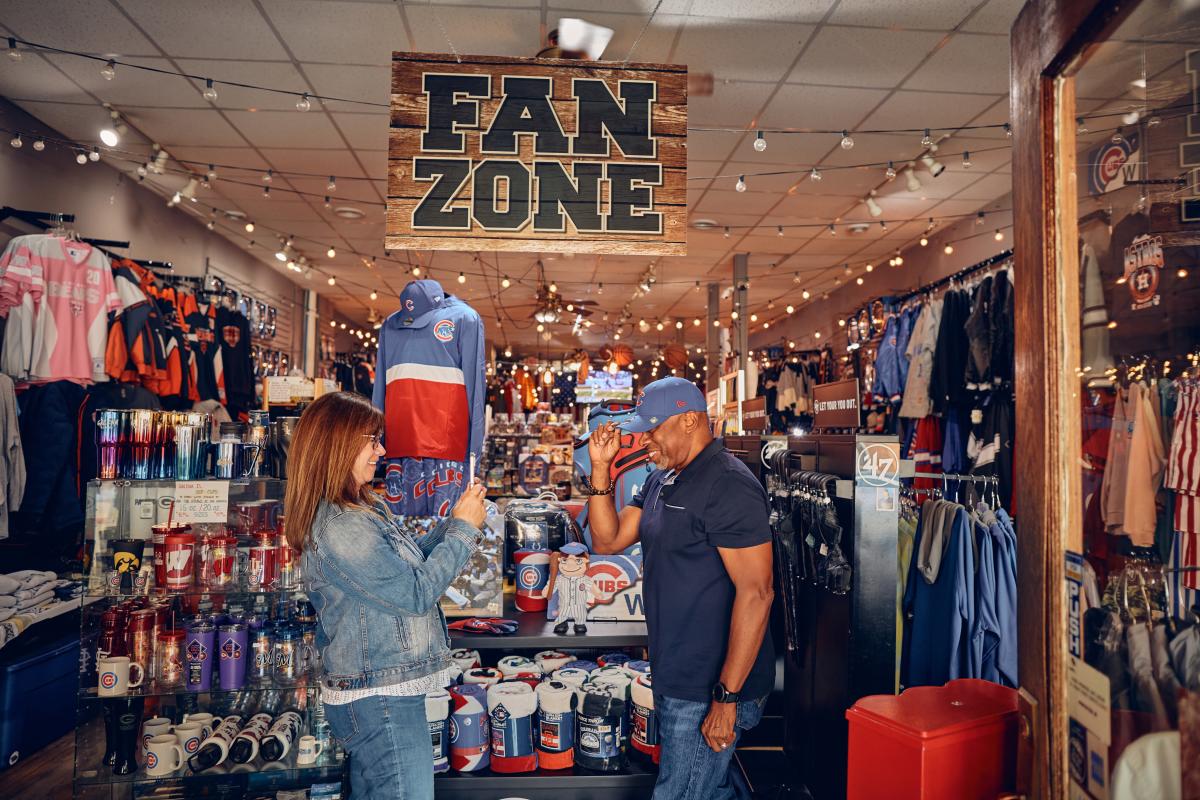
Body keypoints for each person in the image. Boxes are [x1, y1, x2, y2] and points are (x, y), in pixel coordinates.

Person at [283, 391, 487, 800]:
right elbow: (415, 593)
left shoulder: (358, 509)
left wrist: (455, 523)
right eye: (371, 439)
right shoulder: (343, 526)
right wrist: (464, 531)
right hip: (380, 699)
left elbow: (403, 573)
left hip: (381, 692)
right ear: (339, 444)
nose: (382, 450)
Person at [587, 377, 775, 800]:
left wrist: (726, 698)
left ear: (689, 420)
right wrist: (601, 470)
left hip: (708, 686)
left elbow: (758, 593)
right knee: (710, 786)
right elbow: (608, 540)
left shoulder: (728, 484)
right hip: (676, 671)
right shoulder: (664, 478)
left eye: (653, 428)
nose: (644, 438)